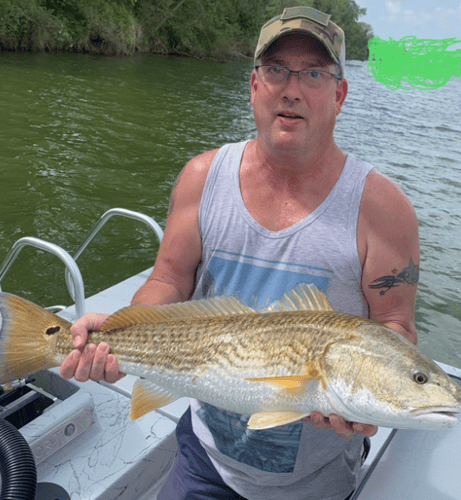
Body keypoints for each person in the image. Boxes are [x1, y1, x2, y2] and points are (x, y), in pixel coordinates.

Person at [60, 6, 420, 500]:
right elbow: (169, 279)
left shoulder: (384, 208)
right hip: (205, 458)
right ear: (254, 85)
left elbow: (395, 325)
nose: (291, 89)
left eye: (314, 73)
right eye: (276, 70)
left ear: (339, 94)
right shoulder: (202, 177)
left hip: (318, 480)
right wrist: (119, 335)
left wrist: (361, 395)